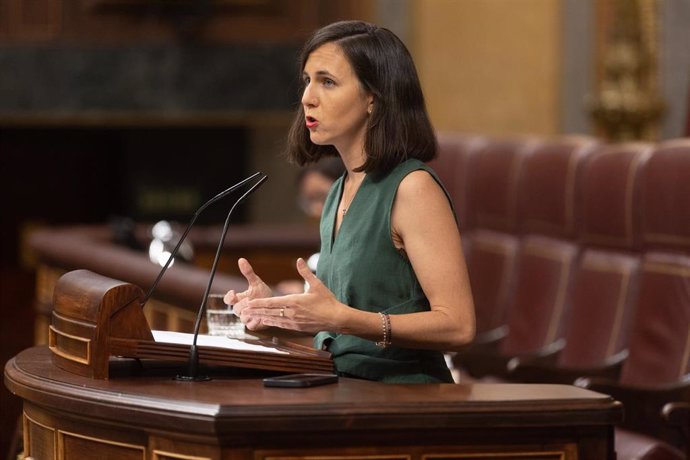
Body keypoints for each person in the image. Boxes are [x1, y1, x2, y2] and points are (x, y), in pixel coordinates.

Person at [225, 20, 475, 383]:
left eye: (327, 82)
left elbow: (459, 326)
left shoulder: (412, 188)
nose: (308, 97)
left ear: (373, 98)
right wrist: (275, 315)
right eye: (307, 80)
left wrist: (338, 317)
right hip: (343, 388)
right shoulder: (341, 189)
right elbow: (340, 330)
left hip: (405, 400)